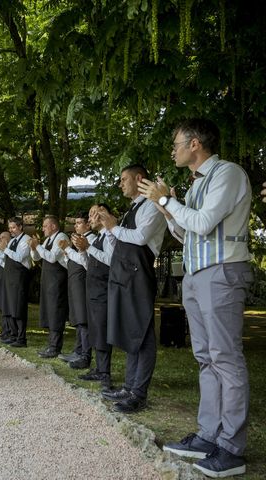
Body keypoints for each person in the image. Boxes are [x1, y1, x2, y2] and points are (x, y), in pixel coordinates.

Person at [138, 119, 251, 478]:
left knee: (225, 356)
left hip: (221, 272)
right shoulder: (197, 183)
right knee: (204, 356)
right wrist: (165, 208)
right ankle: (208, 435)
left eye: (176, 143)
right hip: (197, 273)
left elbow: (203, 224)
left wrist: (169, 199)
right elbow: (187, 232)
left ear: (196, 143)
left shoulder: (227, 174)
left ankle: (231, 448)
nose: (173, 150)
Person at [99, 164, 166, 414]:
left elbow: (139, 237)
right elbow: (118, 243)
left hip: (140, 275)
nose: (120, 184)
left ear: (139, 178)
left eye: (124, 179)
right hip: (124, 275)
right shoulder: (133, 208)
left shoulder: (152, 205)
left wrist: (114, 226)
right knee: (130, 331)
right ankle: (129, 386)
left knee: (144, 333)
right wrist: (109, 228)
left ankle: (139, 393)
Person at [69, 205, 116, 390]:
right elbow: (89, 265)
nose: (90, 219)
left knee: (102, 330)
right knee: (96, 329)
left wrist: (88, 247)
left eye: (92, 214)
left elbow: (111, 261)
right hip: (93, 288)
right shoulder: (99, 238)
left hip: (104, 289)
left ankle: (105, 374)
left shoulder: (107, 237)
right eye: (88, 215)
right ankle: (99, 368)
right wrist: (82, 251)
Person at [58, 211, 96, 368]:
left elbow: (83, 260)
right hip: (74, 281)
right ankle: (78, 350)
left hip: (83, 282)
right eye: (75, 223)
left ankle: (85, 355)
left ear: (88, 224)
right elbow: (71, 261)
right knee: (77, 318)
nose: (75, 226)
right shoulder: (77, 240)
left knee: (83, 319)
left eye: (79, 223)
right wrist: (66, 251)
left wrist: (69, 249)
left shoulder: (91, 239)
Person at [30, 215, 69, 358]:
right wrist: (33, 248)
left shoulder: (61, 237)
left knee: (56, 312)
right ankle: (51, 345)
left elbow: (52, 258)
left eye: (45, 226)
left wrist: (38, 245)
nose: (43, 229)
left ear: (53, 226)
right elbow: (36, 258)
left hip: (57, 280)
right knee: (49, 311)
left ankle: (55, 347)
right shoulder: (47, 240)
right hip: (48, 280)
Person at [0, 217, 31, 347]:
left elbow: (20, 257)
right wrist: (1, 250)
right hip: (9, 276)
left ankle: (22, 338)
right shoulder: (13, 241)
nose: (11, 230)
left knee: (18, 307)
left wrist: (5, 249)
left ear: (20, 227)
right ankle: (13, 335)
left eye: (13, 227)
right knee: (10, 306)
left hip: (19, 276)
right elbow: (5, 258)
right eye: (10, 228)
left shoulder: (26, 240)